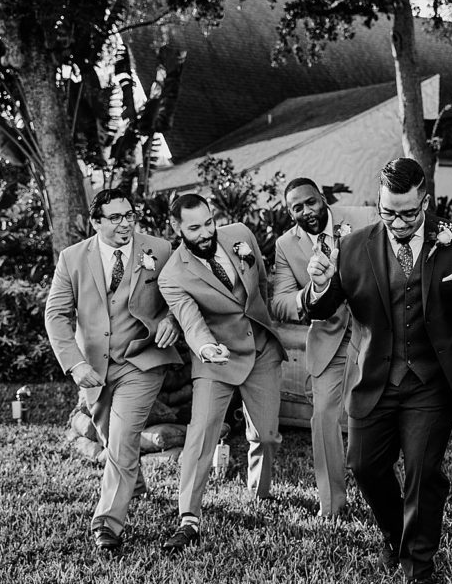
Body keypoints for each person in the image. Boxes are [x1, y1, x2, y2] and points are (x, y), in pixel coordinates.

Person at [306, 158, 452, 583]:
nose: (398, 222)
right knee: (364, 467)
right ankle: (396, 535)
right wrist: (321, 283)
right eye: (388, 212)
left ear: (426, 201)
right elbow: (322, 307)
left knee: (422, 471)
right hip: (375, 378)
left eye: (408, 213)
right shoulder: (354, 245)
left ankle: (419, 567)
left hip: (432, 381)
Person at [45, 188, 182, 551]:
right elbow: (56, 315)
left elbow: (182, 294)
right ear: (96, 221)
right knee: (109, 434)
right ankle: (135, 486)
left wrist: (172, 319)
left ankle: (106, 523)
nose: (126, 223)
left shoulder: (161, 250)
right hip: (94, 367)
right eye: (116, 217)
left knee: (121, 439)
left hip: (143, 360)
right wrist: (75, 364)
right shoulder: (72, 258)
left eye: (130, 215)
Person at [157, 194, 287, 551]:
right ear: (177, 228)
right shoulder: (173, 275)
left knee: (266, 434)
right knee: (200, 436)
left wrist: (266, 326)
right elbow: (189, 319)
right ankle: (189, 518)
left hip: (260, 351)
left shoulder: (240, 234)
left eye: (208, 222)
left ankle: (258, 492)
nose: (205, 233)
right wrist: (204, 348)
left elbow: (260, 283)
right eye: (194, 227)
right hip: (216, 357)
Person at [271, 177, 377, 518]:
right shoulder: (287, 245)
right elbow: (280, 302)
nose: (307, 211)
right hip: (329, 338)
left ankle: (381, 492)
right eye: (296, 208)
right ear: (290, 213)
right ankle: (332, 503)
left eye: (311, 202)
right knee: (323, 418)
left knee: (378, 414)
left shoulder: (364, 218)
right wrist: (313, 293)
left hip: (373, 330)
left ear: (323, 199)